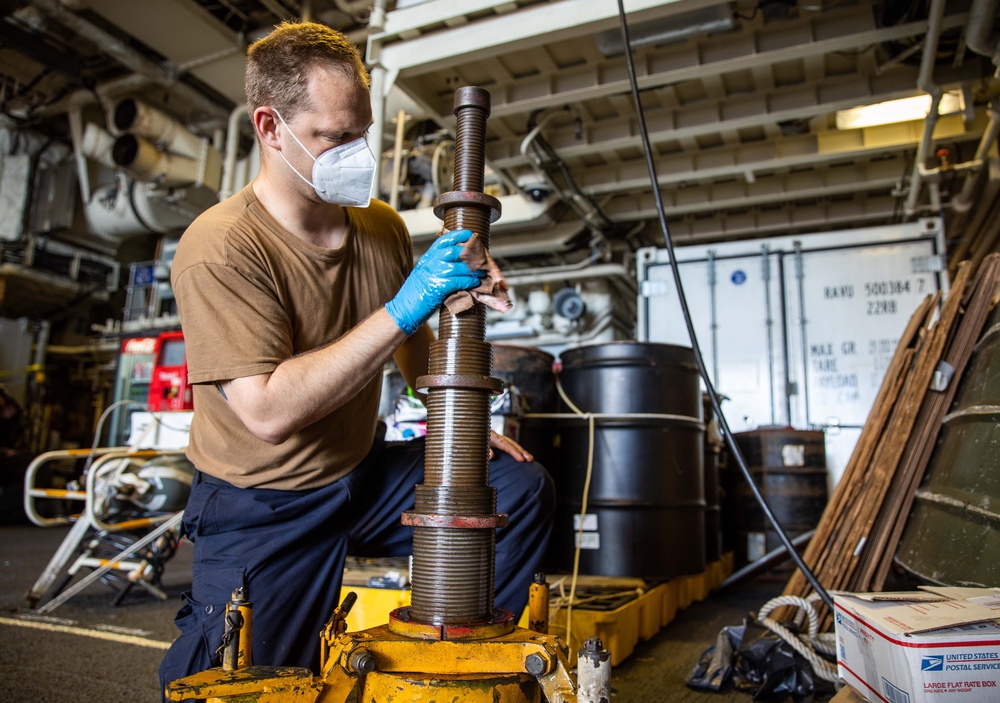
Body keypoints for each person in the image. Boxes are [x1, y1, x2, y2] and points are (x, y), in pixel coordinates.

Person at [158, 21, 554, 695]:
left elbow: (406, 343)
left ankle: (469, 671)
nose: (357, 154)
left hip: (360, 475)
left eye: (362, 132)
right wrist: (406, 303)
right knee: (241, 682)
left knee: (519, 490)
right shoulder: (221, 247)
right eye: (334, 137)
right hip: (265, 502)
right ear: (270, 127)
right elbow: (267, 409)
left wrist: (452, 422)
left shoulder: (381, 225)